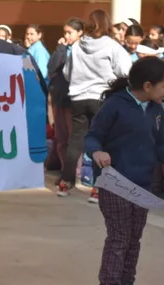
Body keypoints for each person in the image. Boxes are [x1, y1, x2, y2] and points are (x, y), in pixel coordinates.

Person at [85, 56, 164, 285]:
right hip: (114, 183)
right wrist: (96, 152)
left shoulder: (157, 110)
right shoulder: (115, 105)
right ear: (148, 85)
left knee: (134, 240)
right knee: (119, 238)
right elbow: (93, 136)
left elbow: (161, 145)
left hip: (142, 185)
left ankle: (127, 281)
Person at [59, 10, 132, 200]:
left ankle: (65, 183)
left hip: (78, 97)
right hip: (102, 98)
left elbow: (67, 72)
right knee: (103, 142)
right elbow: (125, 71)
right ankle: (98, 189)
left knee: (76, 140)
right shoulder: (112, 46)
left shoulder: (77, 46)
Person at [45, 18, 83, 172]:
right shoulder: (62, 49)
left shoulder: (83, 49)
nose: (66, 36)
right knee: (61, 137)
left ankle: (76, 171)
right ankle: (65, 169)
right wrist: (60, 49)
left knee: (74, 137)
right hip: (59, 98)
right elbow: (52, 68)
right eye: (65, 32)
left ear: (80, 33)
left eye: (70, 32)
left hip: (74, 99)